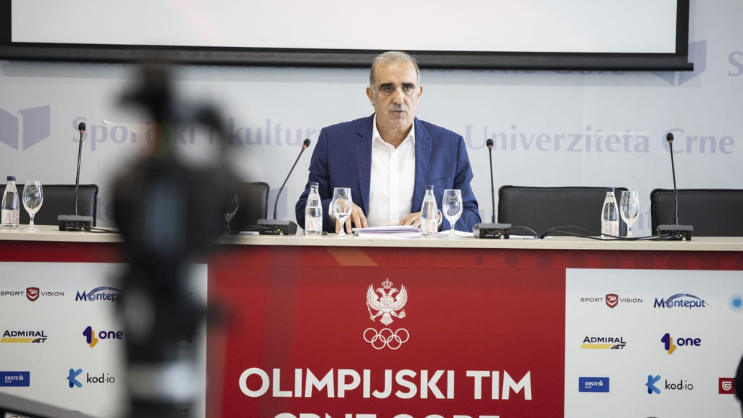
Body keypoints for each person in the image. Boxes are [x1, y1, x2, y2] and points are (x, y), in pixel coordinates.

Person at [295, 51, 480, 234]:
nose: (399, 98)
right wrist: (335, 208)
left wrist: (437, 219)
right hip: (355, 252)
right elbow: (304, 210)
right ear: (371, 95)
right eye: (387, 88)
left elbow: (472, 217)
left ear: (419, 94)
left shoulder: (449, 145)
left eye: (407, 87)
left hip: (422, 252)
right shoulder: (335, 141)